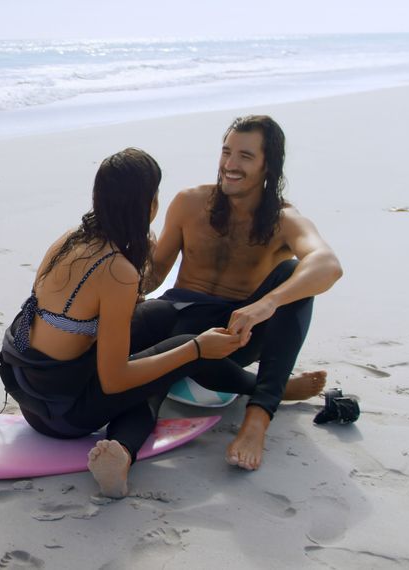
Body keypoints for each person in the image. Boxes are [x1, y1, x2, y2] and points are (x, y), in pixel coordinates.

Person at [0, 148, 265, 498]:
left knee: (160, 314)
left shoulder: (70, 240)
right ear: (148, 203)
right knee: (174, 354)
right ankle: (124, 453)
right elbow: (115, 380)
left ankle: (236, 385)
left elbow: (79, 321)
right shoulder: (116, 271)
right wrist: (197, 349)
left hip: (30, 390)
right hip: (62, 416)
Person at [142, 115, 343, 471]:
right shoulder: (189, 203)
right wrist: (130, 265)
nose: (230, 165)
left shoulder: (284, 219)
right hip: (179, 320)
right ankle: (275, 387)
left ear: (269, 164)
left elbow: (328, 264)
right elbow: (154, 277)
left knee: (293, 274)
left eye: (245, 156)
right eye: (226, 152)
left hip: (234, 334)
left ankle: (258, 418)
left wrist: (266, 304)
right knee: (150, 330)